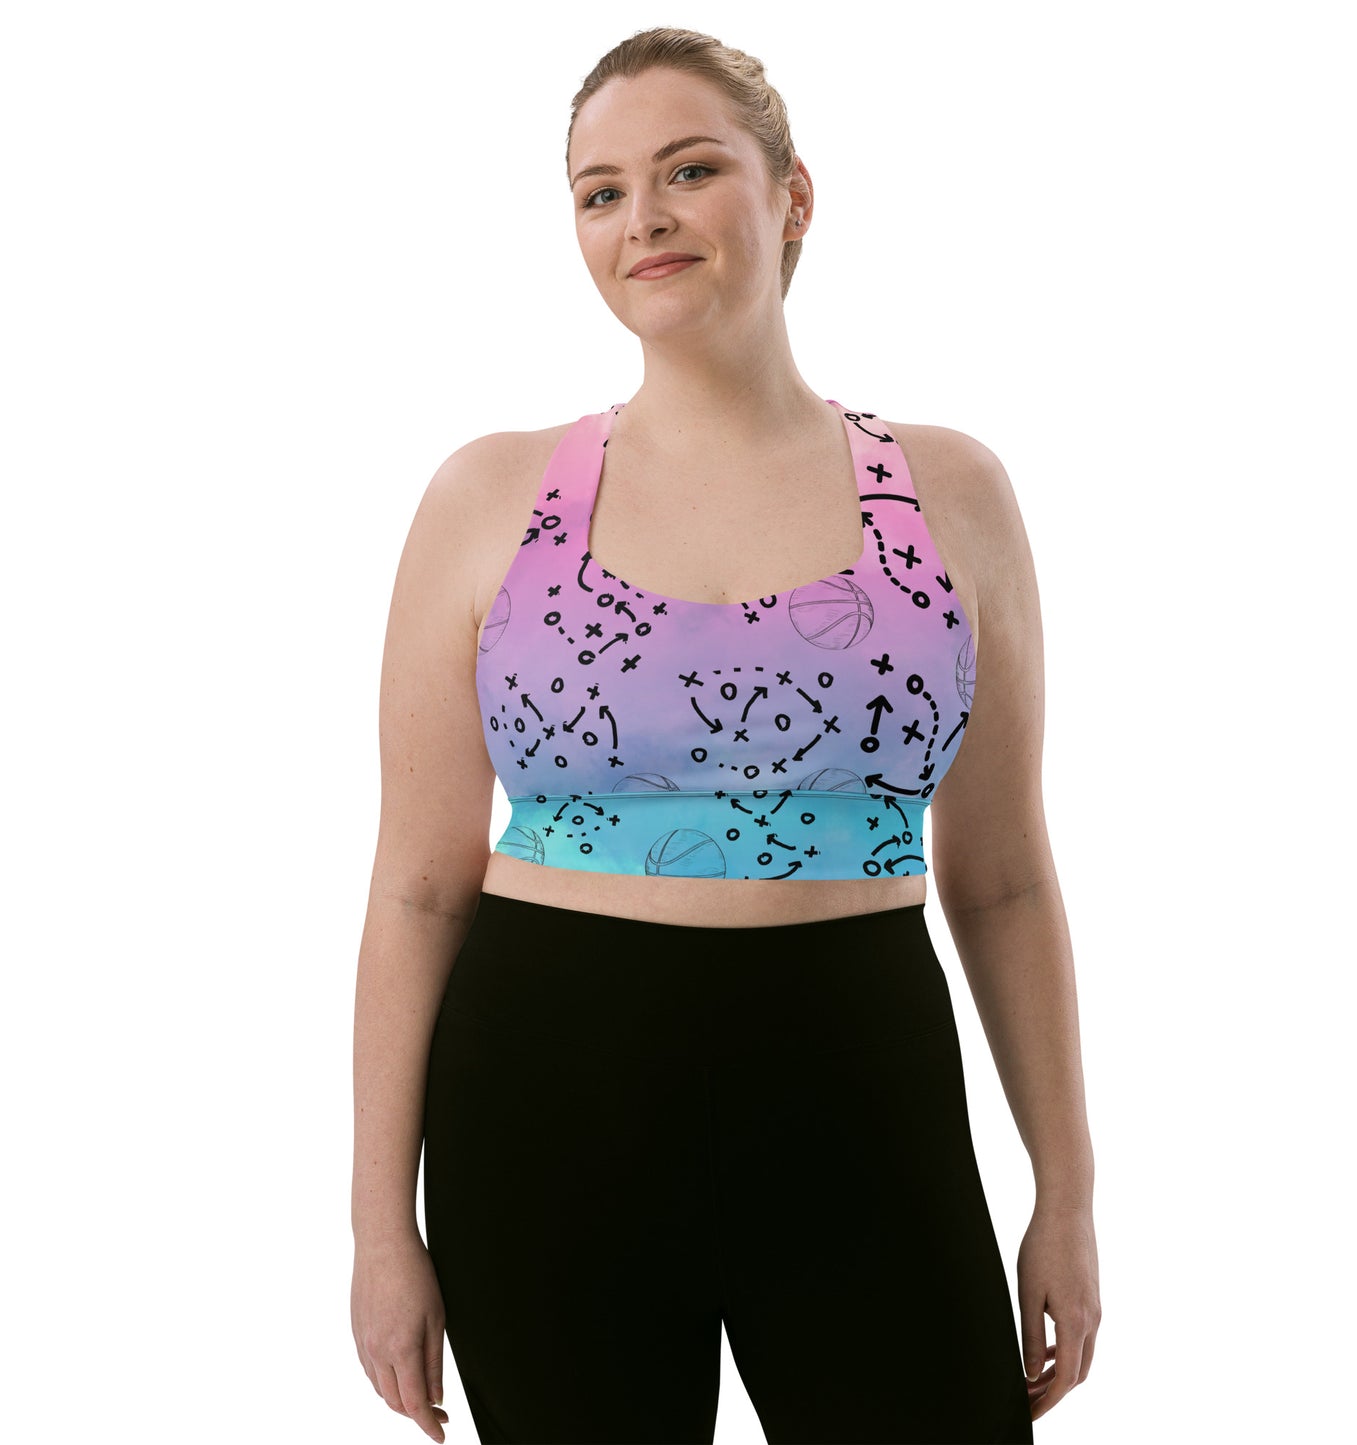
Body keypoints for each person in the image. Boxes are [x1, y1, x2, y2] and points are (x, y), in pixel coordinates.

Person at [350, 25, 1099, 1445]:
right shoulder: (490, 496)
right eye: (601, 191)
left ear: (792, 196)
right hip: (548, 1092)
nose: (643, 217)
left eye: (689, 171)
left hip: (860, 1074)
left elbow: (1001, 878)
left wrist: (1066, 1193)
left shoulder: (947, 492)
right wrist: (379, 1229)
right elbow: (416, 886)